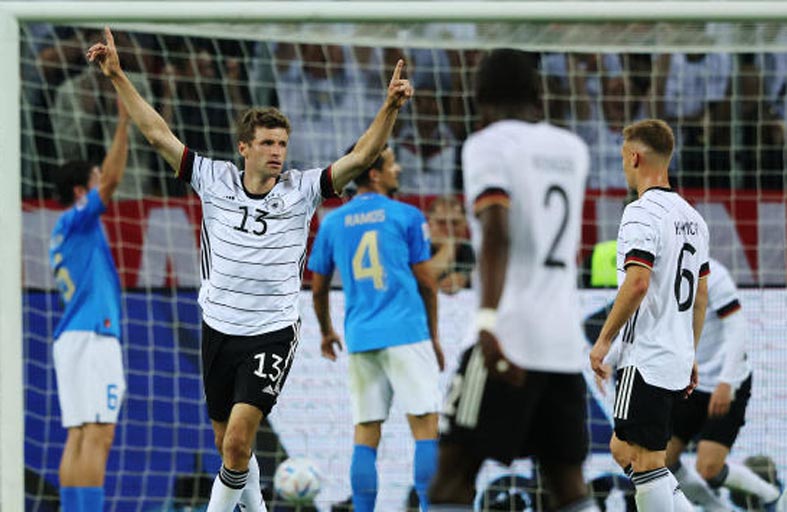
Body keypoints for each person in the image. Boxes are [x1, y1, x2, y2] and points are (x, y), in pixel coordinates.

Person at [87, 26, 412, 512]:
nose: (277, 151)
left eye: (282, 143)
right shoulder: (212, 178)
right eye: (267, 143)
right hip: (218, 327)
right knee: (228, 447)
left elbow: (362, 156)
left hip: (271, 331)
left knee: (239, 441)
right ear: (245, 148)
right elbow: (157, 133)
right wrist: (117, 75)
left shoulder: (303, 190)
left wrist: (389, 107)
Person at [429, 49, 598, 512]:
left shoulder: (486, 145)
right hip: (562, 344)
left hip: (507, 338)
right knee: (567, 484)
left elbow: (497, 233)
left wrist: (487, 321)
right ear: (537, 94)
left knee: (450, 480)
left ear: (479, 98)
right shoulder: (572, 149)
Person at [308, 144, 444, 512]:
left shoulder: (332, 222)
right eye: (392, 164)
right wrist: (433, 336)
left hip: (361, 337)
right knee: (425, 428)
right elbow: (427, 283)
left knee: (366, 433)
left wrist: (326, 330)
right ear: (374, 173)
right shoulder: (407, 215)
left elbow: (318, 288)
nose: (398, 169)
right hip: (407, 332)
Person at [590, 118, 711, 512]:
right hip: (674, 354)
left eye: (623, 159)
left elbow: (638, 282)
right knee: (623, 449)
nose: (624, 167)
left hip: (645, 356)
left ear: (635, 157)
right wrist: (690, 352)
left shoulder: (640, 212)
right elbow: (700, 295)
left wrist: (604, 340)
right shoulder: (693, 218)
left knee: (645, 460)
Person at [48, 100, 130, 512]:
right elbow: (113, 179)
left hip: (71, 338)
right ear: (81, 192)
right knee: (98, 434)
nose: (102, 183)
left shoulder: (61, 232)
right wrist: (124, 121)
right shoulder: (77, 218)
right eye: (93, 180)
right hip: (93, 335)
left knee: (80, 435)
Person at [666, 258, 783, 511]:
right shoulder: (660, 272)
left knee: (708, 468)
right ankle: (718, 509)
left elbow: (738, 328)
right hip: (689, 381)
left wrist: (726, 383)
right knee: (661, 462)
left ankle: (773, 497)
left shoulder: (713, 275)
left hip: (727, 381)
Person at [427, 195, 474, 294]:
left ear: (464, 225)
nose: (448, 228)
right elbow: (422, 280)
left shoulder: (475, 251)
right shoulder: (416, 251)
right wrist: (447, 247)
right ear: (430, 225)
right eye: (441, 222)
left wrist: (465, 279)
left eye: (454, 223)